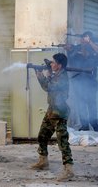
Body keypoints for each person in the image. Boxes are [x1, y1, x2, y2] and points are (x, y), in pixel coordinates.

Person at [31, 53, 74, 181]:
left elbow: (48, 87)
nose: (52, 64)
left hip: (59, 113)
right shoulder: (57, 74)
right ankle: (43, 161)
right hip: (52, 110)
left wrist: (40, 74)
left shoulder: (62, 78)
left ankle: (69, 170)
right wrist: (48, 69)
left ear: (60, 65)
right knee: (42, 136)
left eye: (54, 62)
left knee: (63, 142)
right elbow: (50, 81)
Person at [66, 31, 98, 131]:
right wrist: (69, 51)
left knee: (91, 104)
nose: (83, 40)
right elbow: (71, 60)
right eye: (83, 38)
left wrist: (89, 50)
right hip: (78, 81)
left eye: (86, 39)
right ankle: (85, 125)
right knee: (80, 104)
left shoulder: (95, 50)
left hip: (91, 82)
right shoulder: (77, 48)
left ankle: (95, 125)